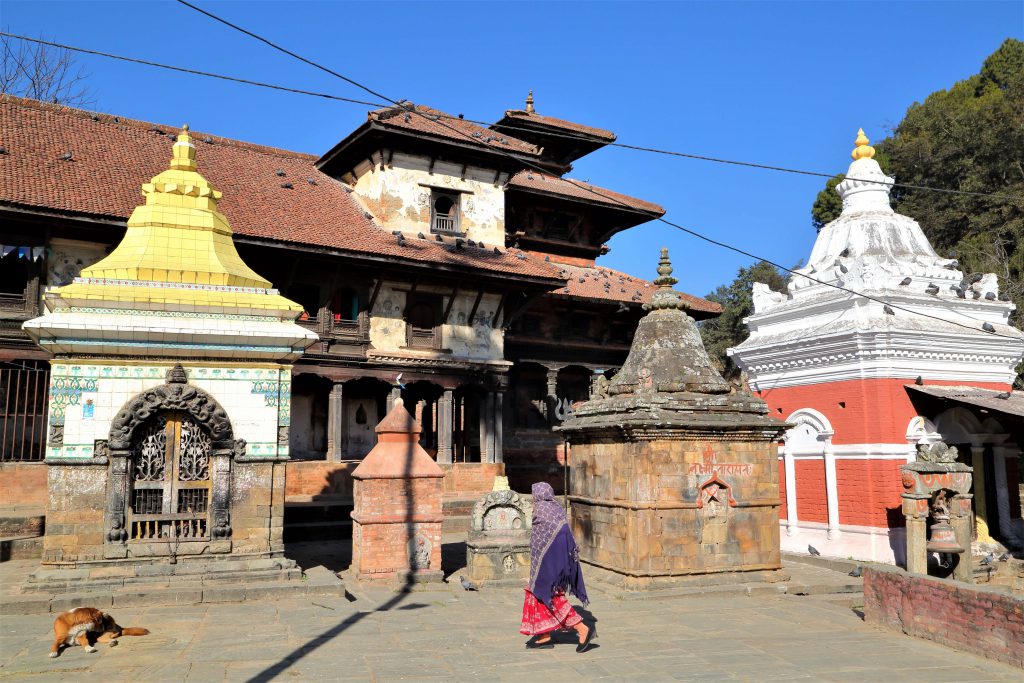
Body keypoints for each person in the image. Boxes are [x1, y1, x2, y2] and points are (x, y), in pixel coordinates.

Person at [520, 482, 595, 653]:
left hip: (548, 564)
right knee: (539, 595)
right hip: (559, 563)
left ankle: (582, 629)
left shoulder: (541, 511)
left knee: (551, 596)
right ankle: (543, 636)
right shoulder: (556, 508)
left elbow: (542, 541)